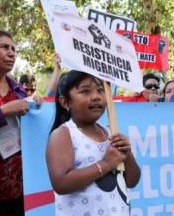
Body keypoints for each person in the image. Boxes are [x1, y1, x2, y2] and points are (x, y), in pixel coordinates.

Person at [46, 70, 140, 216]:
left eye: (100, 90)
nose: (96, 97)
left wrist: (127, 154)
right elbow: (61, 183)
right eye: (85, 91)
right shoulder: (64, 134)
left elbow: (131, 181)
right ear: (65, 102)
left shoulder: (111, 132)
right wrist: (106, 164)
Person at [0, 28, 31, 216]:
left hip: (21, 188)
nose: (11, 53)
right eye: (4, 47)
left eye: (13, 49)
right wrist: (3, 111)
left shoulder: (18, 91)